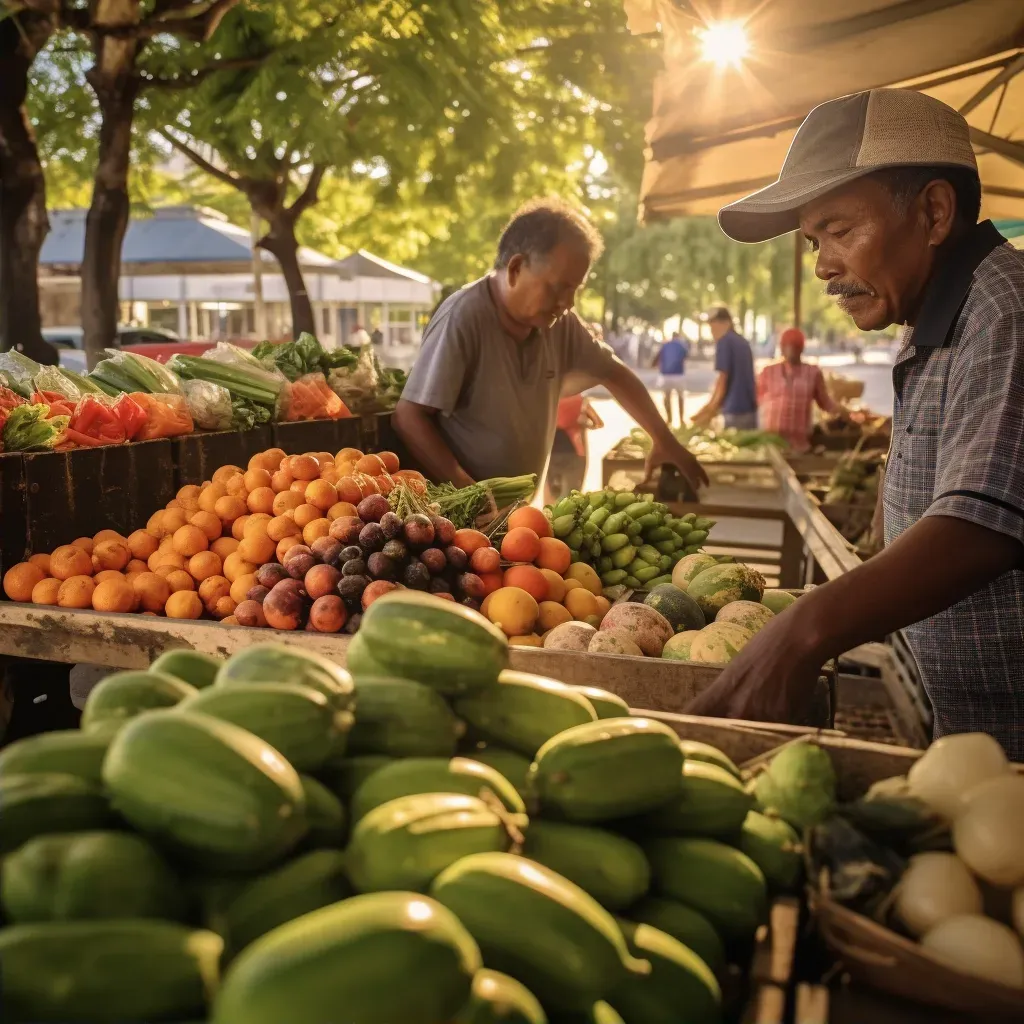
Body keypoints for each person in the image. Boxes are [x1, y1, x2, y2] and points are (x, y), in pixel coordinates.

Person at [688, 87, 1024, 759]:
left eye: (841, 231)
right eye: (815, 241)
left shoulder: (1005, 311)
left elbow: (981, 527)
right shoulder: (929, 316)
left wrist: (804, 632)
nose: (824, 266)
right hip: (965, 731)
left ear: (933, 211)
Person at [393, 198, 708, 494]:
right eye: (560, 287)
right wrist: (468, 491)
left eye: (575, 290)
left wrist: (663, 439)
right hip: (455, 519)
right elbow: (409, 416)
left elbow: (614, 373)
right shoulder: (462, 317)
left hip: (514, 517)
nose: (568, 303)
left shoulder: (560, 323)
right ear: (516, 268)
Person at [756, 327, 839, 453]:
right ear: (781, 348)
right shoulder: (768, 371)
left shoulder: (813, 372)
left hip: (800, 445)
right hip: (772, 443)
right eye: (787, 346)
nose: (790, 351)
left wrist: (846, 414)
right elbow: (756, 399)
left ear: (801, 348)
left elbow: (826, 403)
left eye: (795, 347)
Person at [692, 308, 757, 429]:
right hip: (750, 410)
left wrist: (710, 410)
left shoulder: (724, 341)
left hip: (734, 411)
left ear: (726, 323)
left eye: (713, 326)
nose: (712, 331)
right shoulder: (743, 342)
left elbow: (723, 379)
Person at [546, 393, 604, 502]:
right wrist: (583, 424)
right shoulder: (581, 401)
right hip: (575, 452)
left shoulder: (549, 399)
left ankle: (547, 517)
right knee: (571, 497)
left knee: (552, 492)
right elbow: (598, 423)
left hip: (551, 452)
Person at [651, 330, 690, 426]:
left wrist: (653, 365)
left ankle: (669, 419)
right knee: (680, 397)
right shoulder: (682, 345)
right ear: (678, 337)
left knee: (667, 397)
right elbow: (685, 356)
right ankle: (681, 420)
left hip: (666, 374)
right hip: (678, 374)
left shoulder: (665, 345)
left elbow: (657, 357)